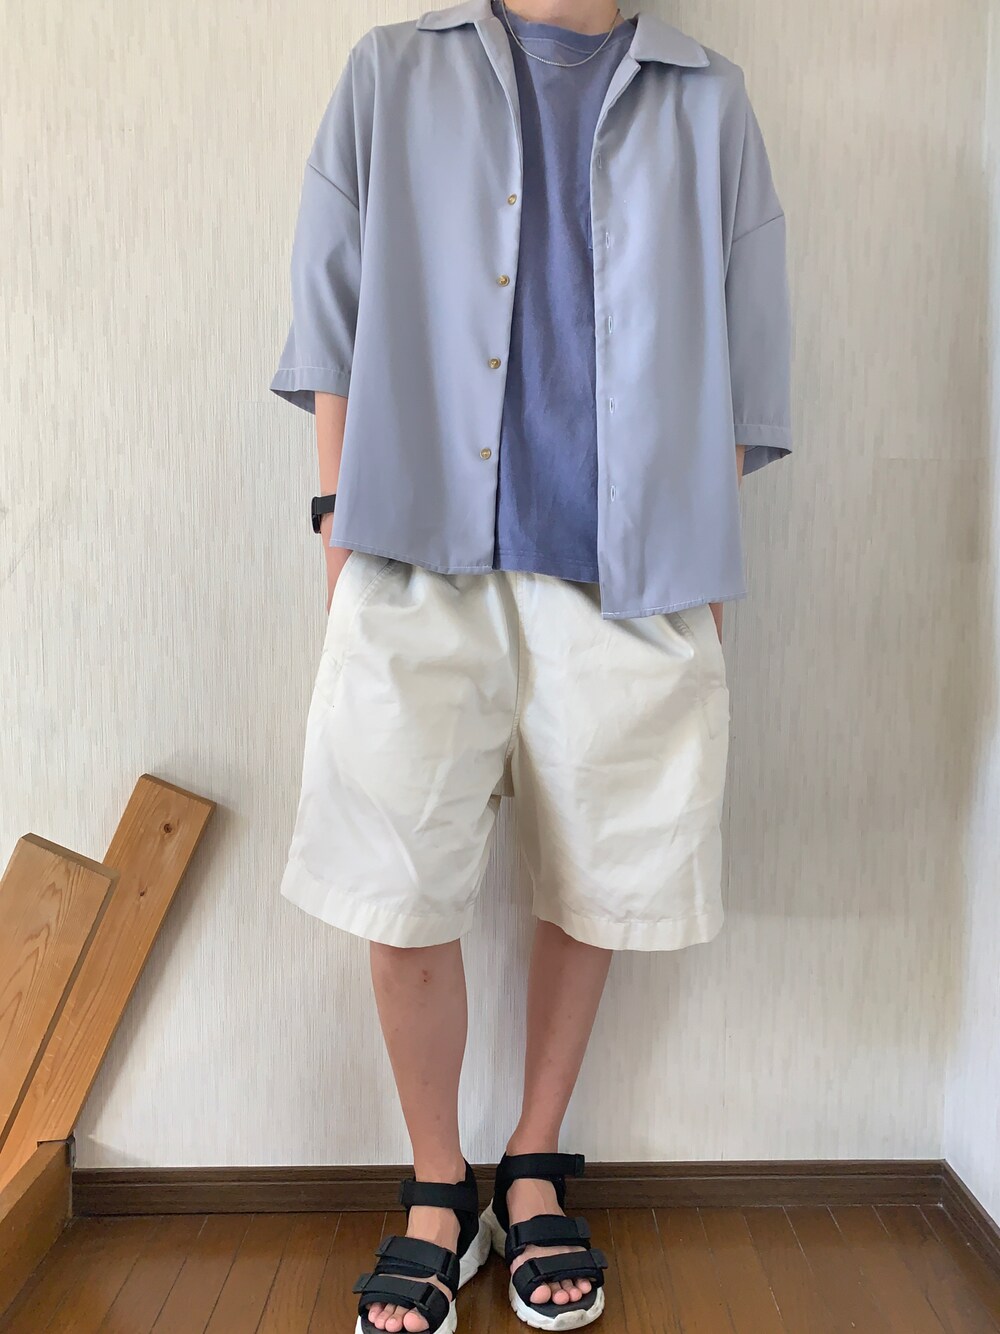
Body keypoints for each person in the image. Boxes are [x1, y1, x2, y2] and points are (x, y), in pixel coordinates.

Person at [270, 0, 792, 1328]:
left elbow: (748, 358)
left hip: (630, 572)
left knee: (600, 873)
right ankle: (436, 1184)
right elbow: (329, 313)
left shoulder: (708, 99)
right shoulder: (394, 70)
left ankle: (536, 1157)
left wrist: (696, 552)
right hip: (412, 552)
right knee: (400, 884)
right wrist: (337, 525)